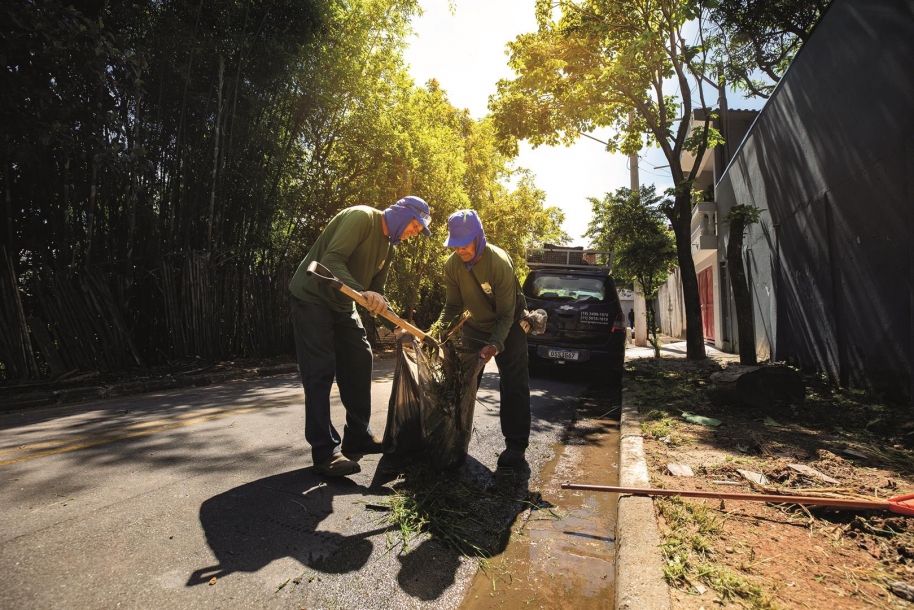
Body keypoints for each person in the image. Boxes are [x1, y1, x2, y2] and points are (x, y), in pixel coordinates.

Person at [288, 197, 432, 476]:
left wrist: (398, 327)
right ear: (402, 215)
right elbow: (330, 261)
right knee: (320, 370)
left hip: (343, 304)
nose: (415, 233)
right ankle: (324, 451)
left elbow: (376, 291)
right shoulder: (362, 218)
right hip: (312, 297)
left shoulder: (389, 248)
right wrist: (363, 293)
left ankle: (358, 435)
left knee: (360, 358)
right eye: (415, 225)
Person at [435, 210, 530, 470]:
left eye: (464, 244)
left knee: (514, 385)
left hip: (510, 326)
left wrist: (495, 345)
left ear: (479, 238)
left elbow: (505, 315)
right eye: (455, 245)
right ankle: (454, 438)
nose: (460, 250)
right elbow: (452, 306)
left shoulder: (498, 262)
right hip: (475, 327)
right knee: (462, 383)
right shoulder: (452, 265)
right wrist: (437, 331)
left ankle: (516, 446)